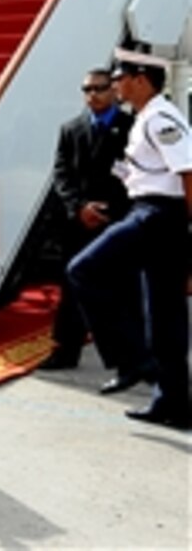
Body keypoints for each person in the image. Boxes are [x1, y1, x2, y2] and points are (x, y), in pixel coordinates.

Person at [68, 47, 192, 429]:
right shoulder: (147, 118)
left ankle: (132, 361)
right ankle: (173, 403)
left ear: (141, 80)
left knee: (83, 270)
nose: (116, 85)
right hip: (155, 212)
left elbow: (188, 173)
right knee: (163, 313)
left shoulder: (160, 118)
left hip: (157, 214)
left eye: (121, 78)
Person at [38, 68, 143, 382]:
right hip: (80, 221)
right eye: (87, 89)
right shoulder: (71, 129)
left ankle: (134, 358)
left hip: (119, 219)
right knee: (72, 287)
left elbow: (139, 172)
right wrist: (79, 207)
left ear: (113, 90)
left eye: (99, 88)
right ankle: (66, 349)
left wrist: (116, 210)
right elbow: (61, 174)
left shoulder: (133, 127)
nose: (92, 95)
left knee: (125, 289)